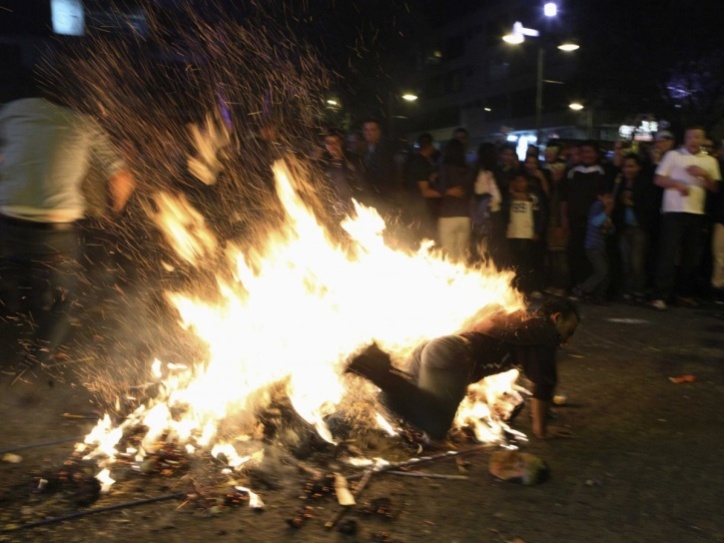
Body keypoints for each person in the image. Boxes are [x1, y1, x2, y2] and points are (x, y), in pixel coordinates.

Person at [0, 75, 135, 383]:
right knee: (63, 299)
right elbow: (122, 178)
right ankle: (34, 364)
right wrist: (114, 214)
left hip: (7, 223)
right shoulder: (83, 124)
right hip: (56, 231)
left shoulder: (8, 114)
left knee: (13, 289)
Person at [346, 298, 580, 440]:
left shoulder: (518, 319)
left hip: (435, 346)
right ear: (556, 318)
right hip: (453, 355)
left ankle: (377, 380)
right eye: (568, 331)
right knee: (437, 424)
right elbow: (544, 384)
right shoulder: (544, 333)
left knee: (406, 405)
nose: (565, 341)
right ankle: (377, 369)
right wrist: (541, 431)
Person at [650, 126, 721, 310]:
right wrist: (676, 184)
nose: (694, 140)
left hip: (696, 213)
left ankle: (684, 293)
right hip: (673, 211)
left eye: (698, 137)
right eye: (690, 137)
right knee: (668, 253)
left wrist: (704, 174)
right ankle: (661, 295)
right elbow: (658, 179)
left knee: (690, 257)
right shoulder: (673, 156)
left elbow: (714, 188)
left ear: (703, 140)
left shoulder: (710, 161)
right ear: (685, 139)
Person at [503, 173, 546, 297]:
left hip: (528, 234)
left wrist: (537, 231)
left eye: (523, 181)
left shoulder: (534, 195)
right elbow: (504, 211)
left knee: (530, 262)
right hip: (513, 233)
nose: (520, 184)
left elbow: (541, 214)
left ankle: (533, 288)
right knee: (515, 263)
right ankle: (518, 288)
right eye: (517, 181)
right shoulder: (509, 196)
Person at [571, 187, 615, 304]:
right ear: (600, 197)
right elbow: (595, 222)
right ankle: (582, 289)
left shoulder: (605, 209)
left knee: (606, 272)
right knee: (602, 271)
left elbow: (609, 229)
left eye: (611, 197)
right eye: (607, 197)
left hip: (600, 245)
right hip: (593, 245)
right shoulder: (598, 206)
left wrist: (609, 226)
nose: (609, 200)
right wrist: (607, 211)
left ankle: (599, 296)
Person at [435, 138, 474, 263]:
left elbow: (440, 187)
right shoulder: (469, 170)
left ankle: (451, 281)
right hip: (465, 216)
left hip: (448, 215)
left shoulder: (445, 168)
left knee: (449, 255)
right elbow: (471, 191)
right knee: (463, 254)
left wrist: (433, 181)